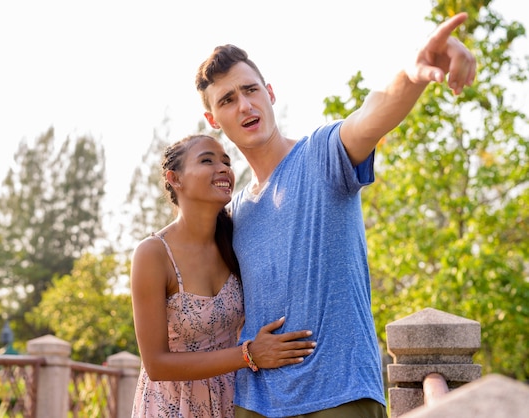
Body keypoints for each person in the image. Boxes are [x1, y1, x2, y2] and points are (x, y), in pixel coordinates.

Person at [194, 12, 476, 418]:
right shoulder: (234, 212)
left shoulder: (321, 155)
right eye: (227, 99)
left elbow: (369, 118)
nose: (245, 105)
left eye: (250, 90)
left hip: (338, 396)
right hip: (255, 404)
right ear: (214, 120)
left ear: (270, 93)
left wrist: (412, 76)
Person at [130, 134, 316, 417]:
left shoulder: (237, 238)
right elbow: (156, 365)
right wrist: (249, 354)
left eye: (227, 162)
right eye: (208, 160)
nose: (224, 169)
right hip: (172, 406)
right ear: (174, 178)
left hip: (236, 400)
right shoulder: (153, 254)